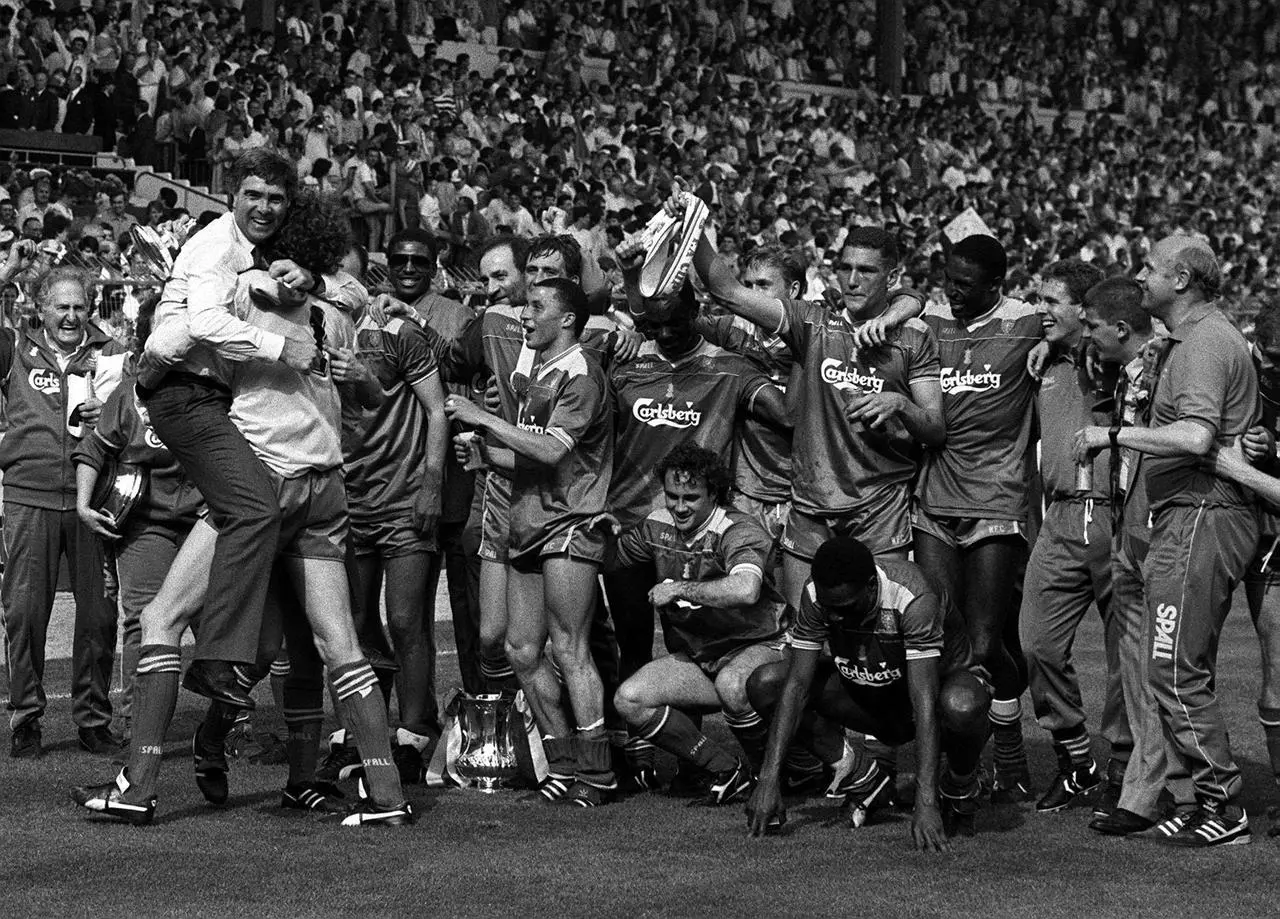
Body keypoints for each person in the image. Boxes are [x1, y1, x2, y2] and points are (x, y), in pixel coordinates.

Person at [72, 199, 413, 827]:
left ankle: (138, 784)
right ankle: (387, 796)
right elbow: (361, 395)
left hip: (265, 478)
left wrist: (149, 358)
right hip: (326, 488)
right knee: (339, 640)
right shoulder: (336, 311)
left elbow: (183, 337)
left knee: (161, 615)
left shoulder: (248, 291)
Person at [1076, 236, 1259, 847]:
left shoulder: (1206, 343)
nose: (1139, 275)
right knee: (1176, 664)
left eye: (1150, 268)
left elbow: (1196, 438)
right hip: (1186, 514)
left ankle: (1223, 805)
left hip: (1205, 511)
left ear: (1181, 280)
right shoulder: (1189, 341)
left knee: (1173, 665)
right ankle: (1202, 796)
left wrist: (1114, 436)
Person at [136, 148, 321, 713]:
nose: (264, 207)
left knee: (251, 508)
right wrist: (282, 346)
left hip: (203, 394)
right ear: (230, 195)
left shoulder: (251, 250)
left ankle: (222, 656)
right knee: (256, 509)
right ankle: (218, 659)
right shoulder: (216, 245)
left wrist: (305, 278)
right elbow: (205, 322)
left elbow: (310, 289)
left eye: (276, 199)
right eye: (254, 195)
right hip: (183, 395)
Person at [445, 277, 618, 807]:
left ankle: (600, 772)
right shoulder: (538, 370)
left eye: (536, 307)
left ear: (567, 318)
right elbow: (528, 455)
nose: (525, 315)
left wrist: (484, 418)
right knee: (520, 649)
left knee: (569, 647)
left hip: (571, 521)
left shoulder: (582, 373)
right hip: (528, 520)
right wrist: (486, 457)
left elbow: (552, 453)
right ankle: (563, 761)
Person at [744, 537, 991, 849]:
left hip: (931, 698)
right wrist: (768, 780)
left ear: (872, 586)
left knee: (963, 705)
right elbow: (796, 686)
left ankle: (960, 785)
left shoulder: (913, 595)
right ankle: (862, 775)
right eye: (828, 608)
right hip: (867, 693)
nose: (834, 618)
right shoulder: (815, 594)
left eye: (845, 609)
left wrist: (925, 803)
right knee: (766, 684)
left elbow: (924, 700)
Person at [915, 233, 1041, 802]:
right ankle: (949, 761)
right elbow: (905, 308)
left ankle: (1010, 755)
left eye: (966, 286)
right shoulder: (934, 326)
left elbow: (1082, 321)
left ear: (997, 285)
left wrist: (1054, 341)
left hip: (997, 500)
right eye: (949, 281)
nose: (954, 293)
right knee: (942, 634)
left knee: (989, 642)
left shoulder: (1024, 326)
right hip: (935, 502)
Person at [1074, 277, 1191, 836]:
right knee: (1138, 665)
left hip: (1165, 529)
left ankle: (1179, 792)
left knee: (1166, 666)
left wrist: (1110, 436)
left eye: (1093, 327)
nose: (1087, 337)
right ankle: (1154, 789)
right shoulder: (1133, 363)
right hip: (1132, 528)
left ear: (1120, 328)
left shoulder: (1173, 357)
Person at [609, 444, 787, 805]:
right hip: (703, 657)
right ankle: (726, 770)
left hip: (764, 648)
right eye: (672, 496)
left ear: (715, 494)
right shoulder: (657, 525)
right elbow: (612, 558)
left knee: (733, 684)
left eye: (691, 497)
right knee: (630, 700)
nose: (679, 506)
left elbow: (747, 589)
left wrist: (679, 590)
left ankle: (773, 777)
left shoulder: (738, 530)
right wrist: (598, 534)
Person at [1019, 260, 1131, 813]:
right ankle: (1075, 760)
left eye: (1053, 301)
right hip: (1061, 520)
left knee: (1123, 658)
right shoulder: (1041, 360)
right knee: (1036, 642)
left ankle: (1121, 770)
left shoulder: (1119, 360)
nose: (1042, 310)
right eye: (1039, 299)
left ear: (1086, 313)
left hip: (1119, 520)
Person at [1, 265, 126, 758]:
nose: (72, 316)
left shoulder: (112, 352)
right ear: (39, 307)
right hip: (28, 494)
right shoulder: (13, 348)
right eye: (62, 306)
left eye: (79, 306)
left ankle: (93, 719)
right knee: (25, 613)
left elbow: (135, 413)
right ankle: (26, 717)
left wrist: (110, 409)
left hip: (93, 498)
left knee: (98, 614)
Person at [73, 295, 202, 744]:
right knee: (144, 619)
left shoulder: (215, 386)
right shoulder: (128, 393)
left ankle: (229, 723)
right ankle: (134, 719)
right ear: (147, 341)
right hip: (146, 522)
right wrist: (84, 504)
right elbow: (94, 448)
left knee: (217, 622)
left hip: (206, 519)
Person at [344, 243, 449, 780]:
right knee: (355, 623)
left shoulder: (396, 332)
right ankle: (361, 727)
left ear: (367, 277)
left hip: (404, 496)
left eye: (349, 271)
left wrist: (432, 483)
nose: (340, 281)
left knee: (406, 621)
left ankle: (414, 733)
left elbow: (437, 409)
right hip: (346, 498)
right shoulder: (305, 336)